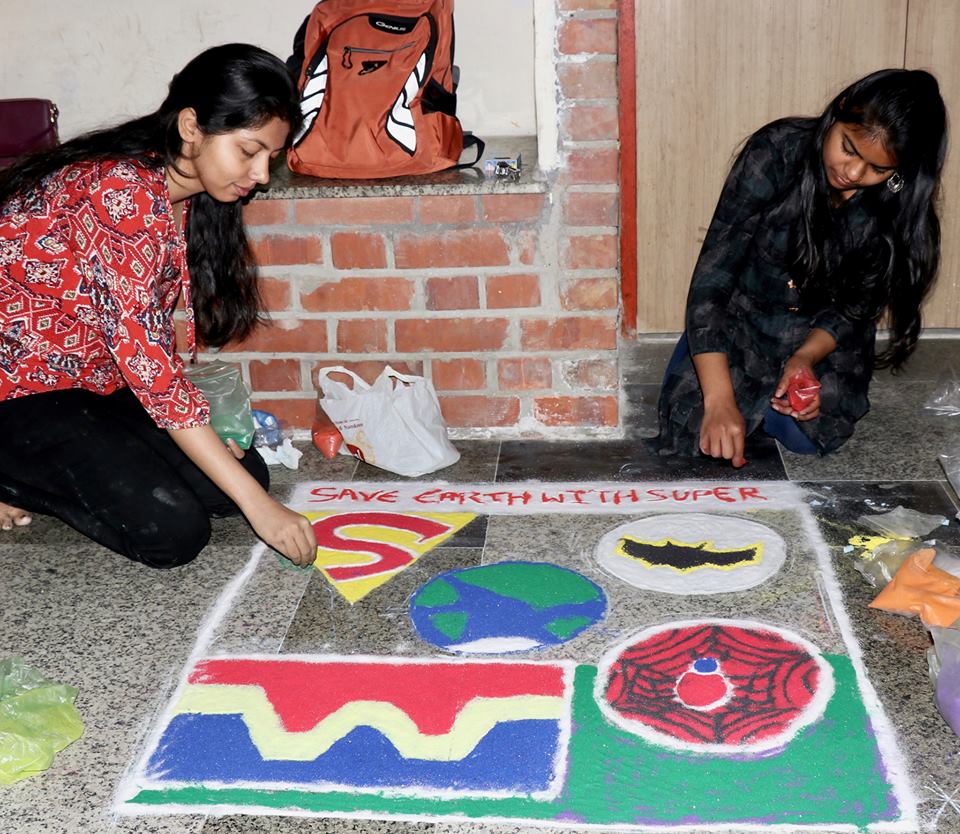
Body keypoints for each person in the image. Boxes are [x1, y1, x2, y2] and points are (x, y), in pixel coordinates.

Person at [0, 43, 318, 568]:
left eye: (270, 158)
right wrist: (263, 510)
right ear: (192, 126)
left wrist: (247, 491)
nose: (261, 173)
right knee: (173, 532)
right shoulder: (117, 193)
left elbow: (145, 357)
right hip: (18, 393)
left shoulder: (184, 191)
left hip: (89, 382)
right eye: (248, 150)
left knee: (242, 477)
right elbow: (154, 373)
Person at [653, 68, 948, 467]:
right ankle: (708, 361)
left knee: (808, 432)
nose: (854, 174)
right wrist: (719, 398)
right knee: (695, 428)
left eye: (878, 170)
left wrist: (805, 358)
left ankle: (766, 386)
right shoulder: (775, 152)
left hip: (820, 333)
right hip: (745, 318)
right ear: (839, 111)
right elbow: (713, 276)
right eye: (849, 148)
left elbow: (855, 307)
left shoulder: (895, 204)